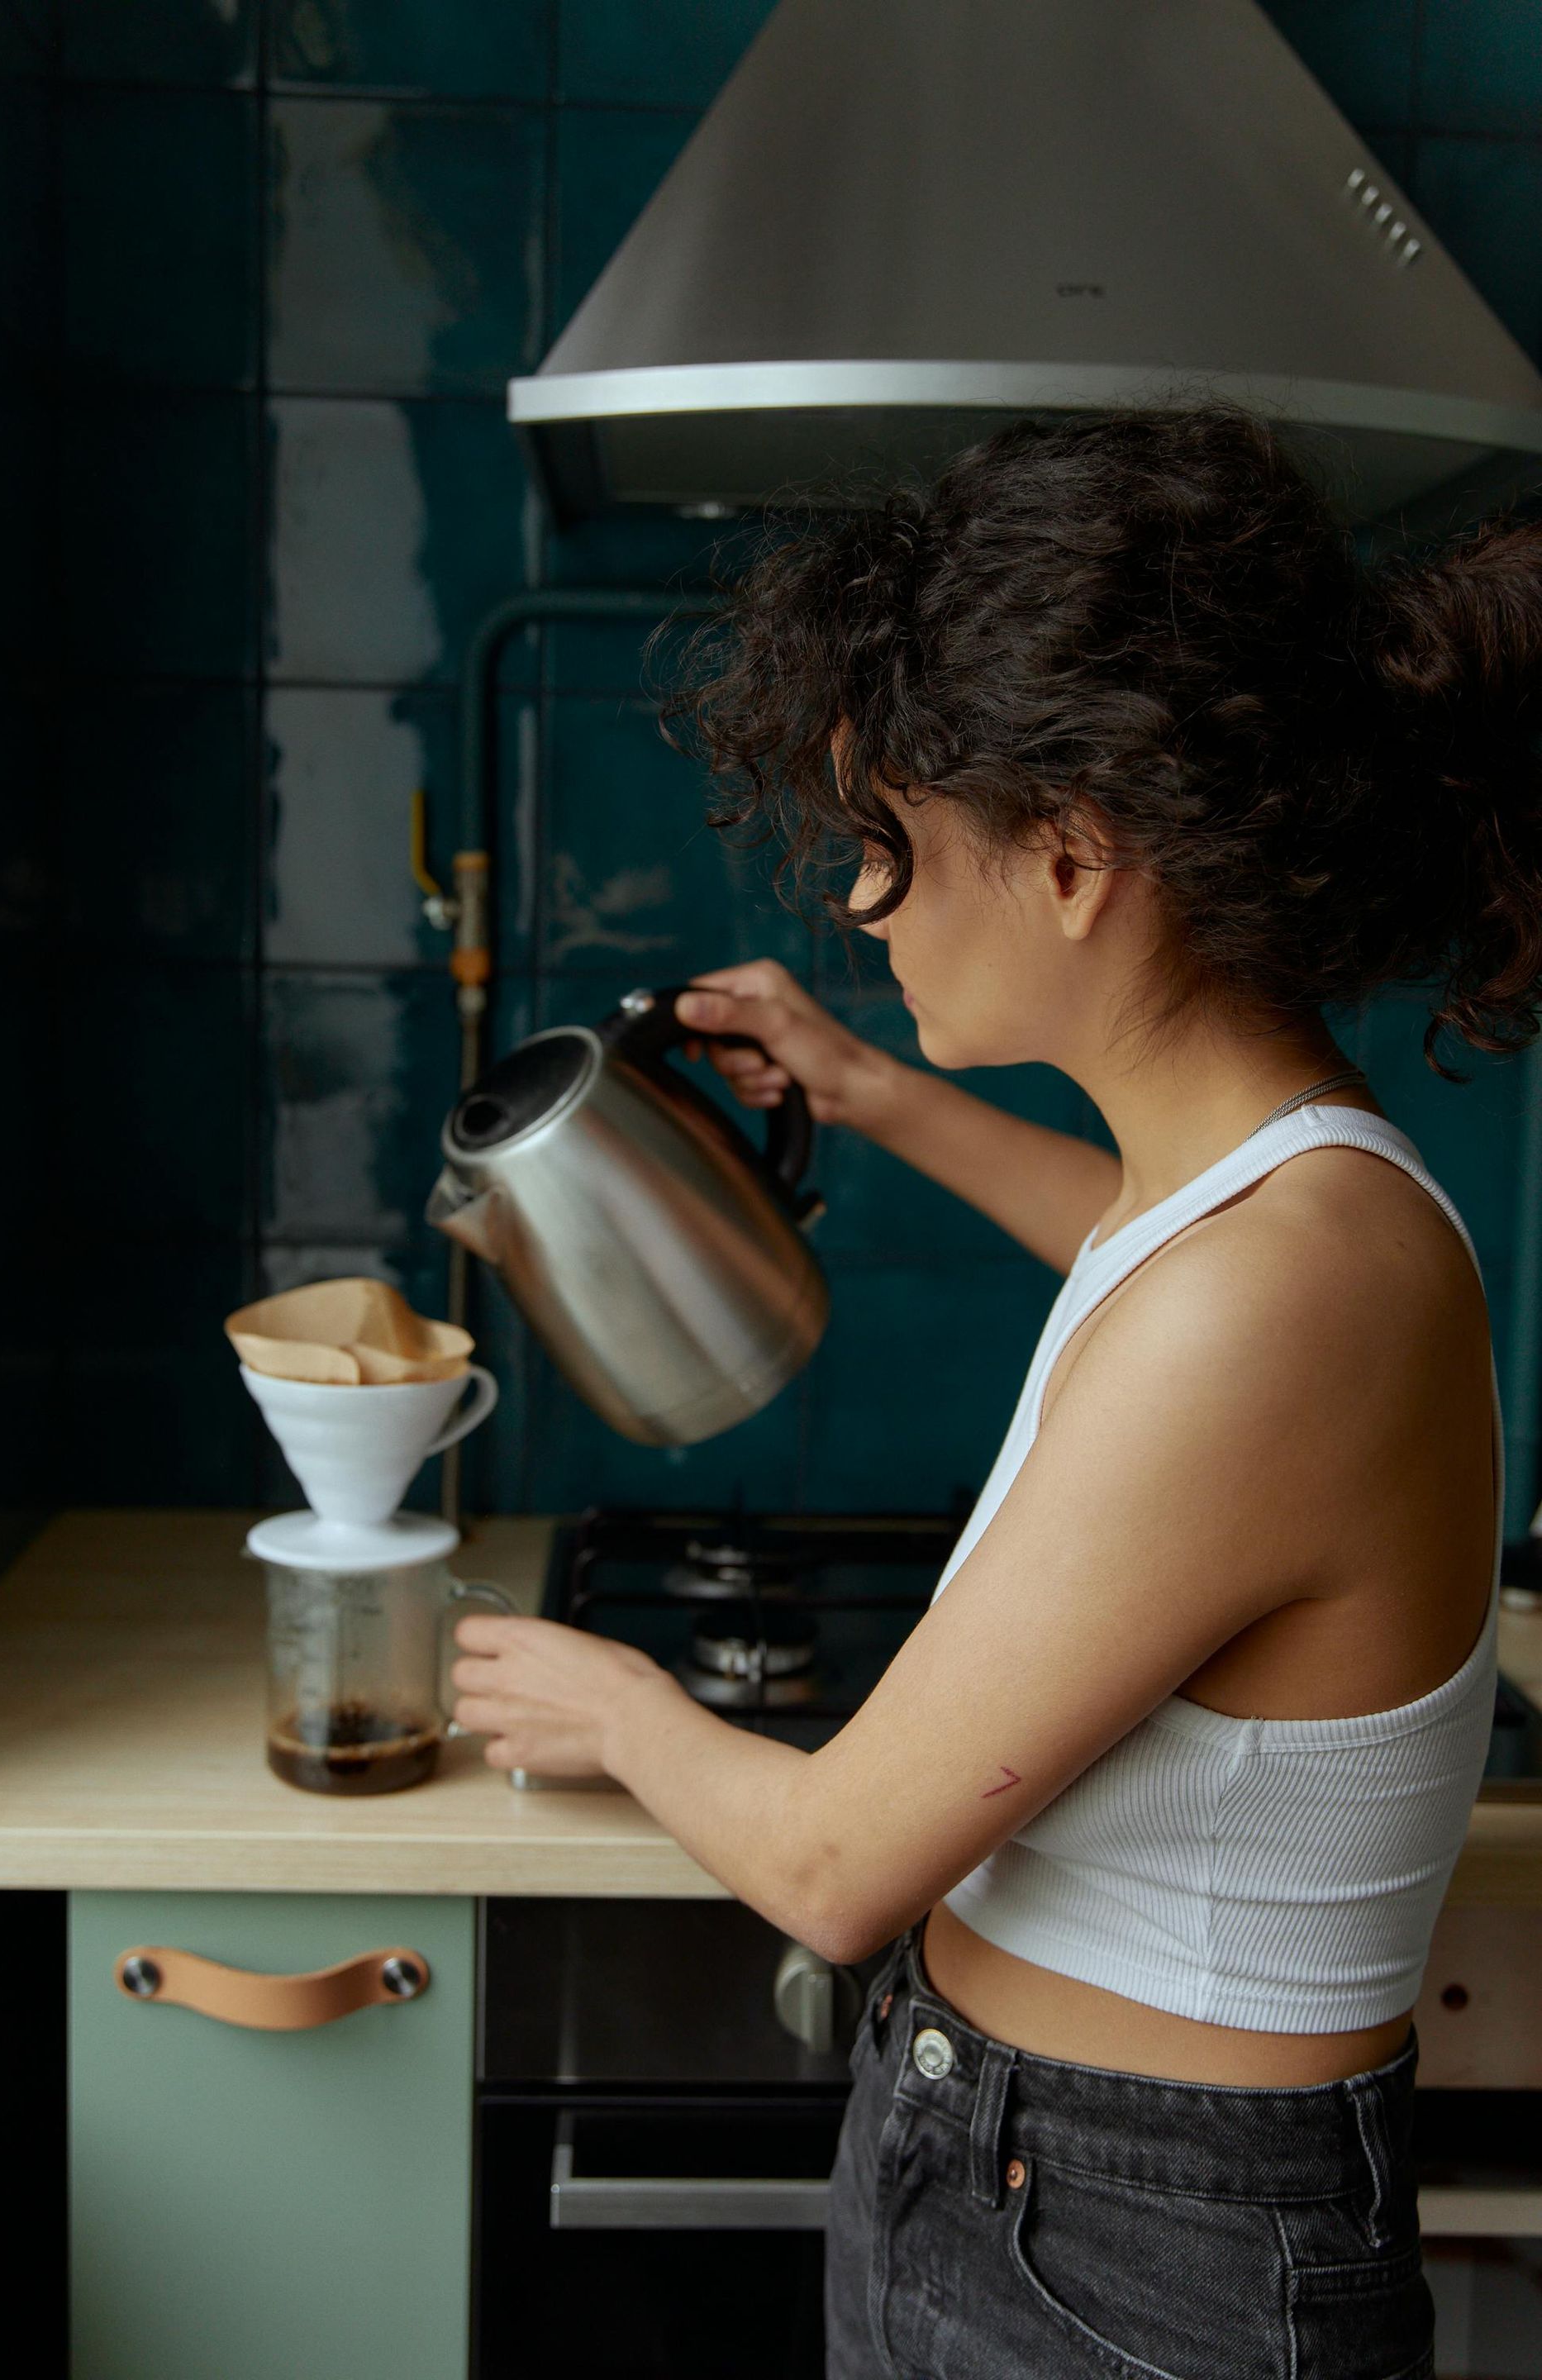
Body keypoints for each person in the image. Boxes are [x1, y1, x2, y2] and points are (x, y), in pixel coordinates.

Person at [451, 409, 1542, 2378]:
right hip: (1062, 2189)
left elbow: (836, 1864)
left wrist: (613, 1698)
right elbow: (1132, 1252)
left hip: (1139, 2248)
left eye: (889, 844)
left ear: (1070, 857)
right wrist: (869, 1092)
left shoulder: (1285, 1291)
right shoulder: (1265, 1206)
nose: (860, 906)